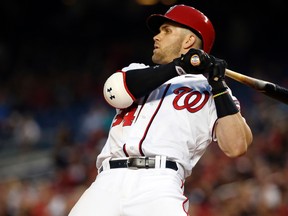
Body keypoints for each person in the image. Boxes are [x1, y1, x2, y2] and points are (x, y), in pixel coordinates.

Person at [68, 4, 253, 216]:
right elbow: (113, 91)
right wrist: (179, 67)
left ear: (189, 40)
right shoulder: (137, 71)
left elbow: (237, 146)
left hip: (159, 184)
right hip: (107, 182)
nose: (156, 37)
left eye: (166, 31)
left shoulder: (211, 91)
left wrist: (219, 85)